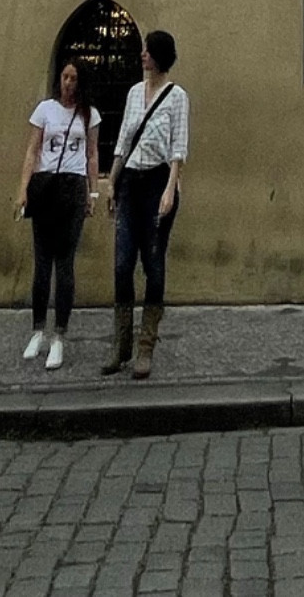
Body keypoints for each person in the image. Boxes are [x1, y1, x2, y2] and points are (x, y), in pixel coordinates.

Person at [104, 27, 190, 376]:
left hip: (157, 182)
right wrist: (112, 180)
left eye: (147, 51)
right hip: (130, 182)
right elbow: (124, 138)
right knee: (123, 263)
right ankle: (121, 345)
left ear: (159, 56)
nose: (142, 55)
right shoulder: (134, 93)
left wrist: (171, 189)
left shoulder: (177, 97)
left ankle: (145, 348)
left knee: (153, 264)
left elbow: (178, 147)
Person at [16, 56, 100, 369]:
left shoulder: (89, 115)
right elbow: (32, 150)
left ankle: (59, 337)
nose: (67, 83)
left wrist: (92, 192)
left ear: (81, 82)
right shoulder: (45, 110)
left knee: (64, 264)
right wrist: (23, 188)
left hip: (73, 188)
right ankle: (38, 330)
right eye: (64, 77)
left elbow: (92, 154)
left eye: (73, 78)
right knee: (42, 262)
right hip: (45, 185)